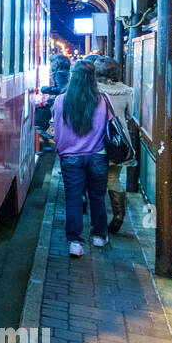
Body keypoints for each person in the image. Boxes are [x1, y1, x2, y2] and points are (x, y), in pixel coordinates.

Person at [52, 59, 108, 256]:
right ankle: (99, 236)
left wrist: (61, 149)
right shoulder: (102, 100)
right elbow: (107, 128)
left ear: (73, 76)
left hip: (70, 158)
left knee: (73, 199)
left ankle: (75, 242)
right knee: (97, 197)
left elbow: (57, 131)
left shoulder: (61, 100)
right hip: (97, 156)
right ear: (93, 78)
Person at [95, 56, 136, 233]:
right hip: (118, 142)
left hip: (96, 141)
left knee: (94, 181)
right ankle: (118, 216)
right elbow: (130, 115)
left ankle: (97, 220)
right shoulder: (127, 91)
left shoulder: (92, 89)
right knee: (113, 179)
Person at [37, 53, 71, 149]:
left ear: (55, 63)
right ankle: (48, 137)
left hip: (63, 101)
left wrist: (44, 89)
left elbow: (61, 89)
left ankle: (48, 135)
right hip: (67, 100)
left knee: (42, 113)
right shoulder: (66, 71)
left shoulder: (59, 73)